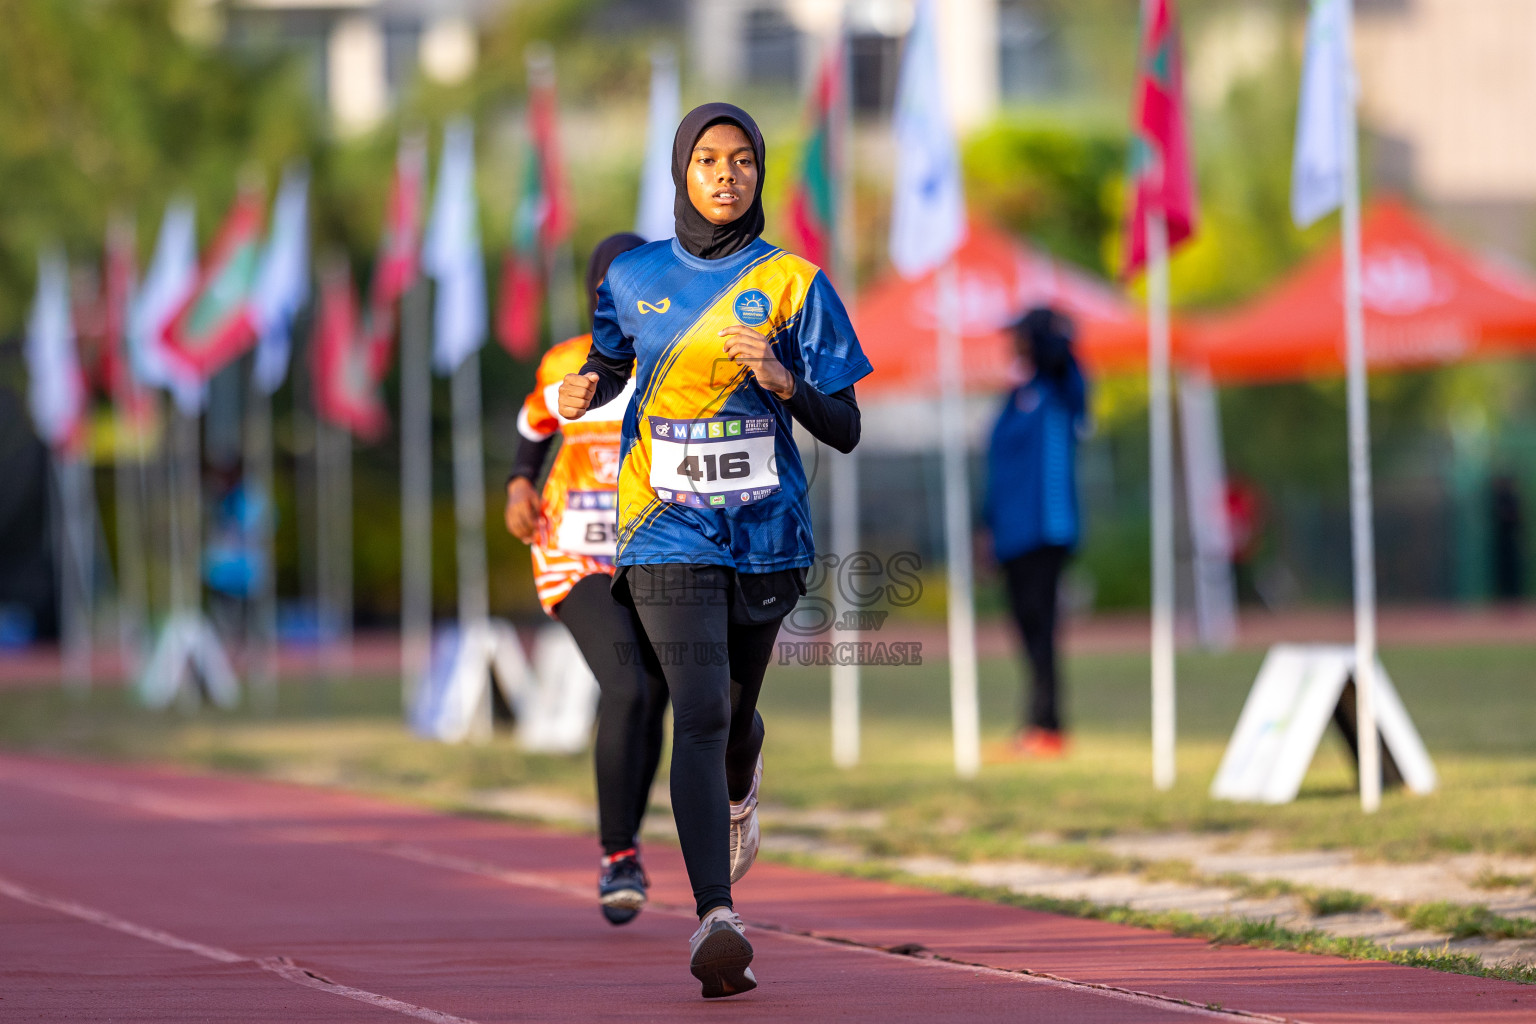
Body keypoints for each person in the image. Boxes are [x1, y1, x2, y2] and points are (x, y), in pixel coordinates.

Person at [557, 102, 870, 999]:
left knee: (731, 718)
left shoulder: (796, 284)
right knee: (693, 708)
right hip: (661, 525)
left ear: (760, 175)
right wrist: (589, 386)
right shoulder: (633, 275)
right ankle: (715, 919)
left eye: (741, 161)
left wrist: (782, 379)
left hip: (766, 532)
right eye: (707, 160)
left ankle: (745, 765)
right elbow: (614, 363)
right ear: (681, 174)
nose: (726, 175)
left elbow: (845, 426)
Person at [503, 233, 670, 926]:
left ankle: (626, 843)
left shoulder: (678, 363)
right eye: (612, 289)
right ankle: (615, 853)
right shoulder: (570, 362)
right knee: (627, 682)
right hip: (574, 551)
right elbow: (533, 419)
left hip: (656, 552)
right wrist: (518, 480)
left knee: (659, 693)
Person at [984, 306, 1089, 760]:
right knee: (1025, 630)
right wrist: (984, 527)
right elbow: (997, 468)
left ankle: (1048, 725)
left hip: (1046, 529)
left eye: (1023, 338)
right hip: (1011, 535)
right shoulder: (1017, 393)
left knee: (1043, 628)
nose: (1015, 345)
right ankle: (1036, 722)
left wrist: (1052, 336)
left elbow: (1066, 363)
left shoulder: (1060, 388)